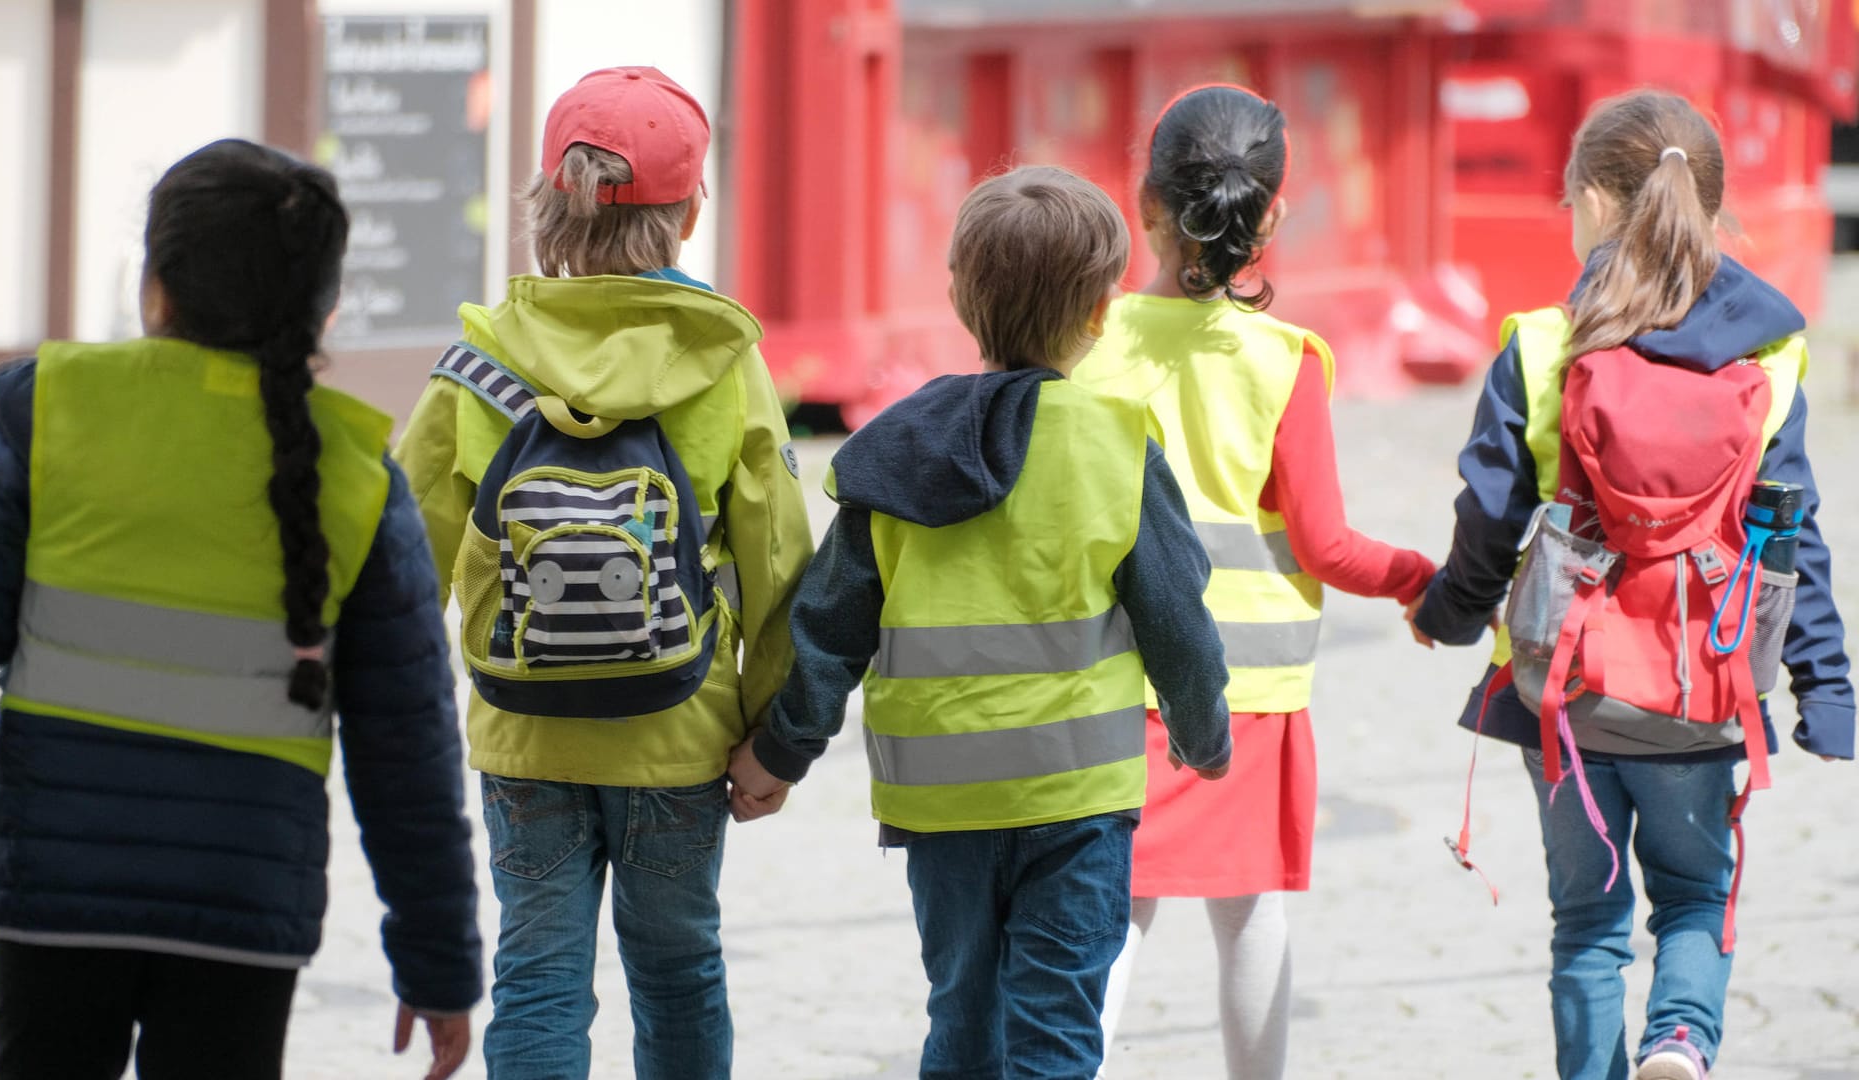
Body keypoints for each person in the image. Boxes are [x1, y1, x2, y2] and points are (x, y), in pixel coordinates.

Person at [0, 139, 481, 1080]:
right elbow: (409, 755)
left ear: (154, 286)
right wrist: (437, 961)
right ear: (325, 310)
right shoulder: (355, 478)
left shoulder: (51, 414)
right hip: (245, 904)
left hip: (52, 886)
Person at [726, 164, 1234, 1080]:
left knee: (962, 1016)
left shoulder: (896, 451)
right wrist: (1204, 734)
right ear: (1098, 313)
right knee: (1055, 1032)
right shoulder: (1116, 444)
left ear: (959, 295)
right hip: (1076, 805)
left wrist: (778, 754)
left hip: (943, 801)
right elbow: (1177, 619)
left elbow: (829, 623)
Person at [1411, 89, 1853, 1080]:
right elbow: (1796, 535)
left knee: (1586, 924)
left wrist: (1448, 613)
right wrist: (1827, 690)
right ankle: (1682, 1041)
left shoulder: (1541, 347)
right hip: (1705, 685)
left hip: (1565, 688)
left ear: (1597, 208)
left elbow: (1487, 521)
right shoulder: (1769, 356)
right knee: (1696, 897)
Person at [392, 66, 813, 1079]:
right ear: (690, 211)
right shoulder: (723, 363)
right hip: (678, 732)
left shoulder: (474, 365)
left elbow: (403, 568)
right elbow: (779, 566)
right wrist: (772, 733)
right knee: (678, 970)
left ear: (548, 200)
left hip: (524, 732)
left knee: (537, 972)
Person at [1071, 84, 1434, 1079]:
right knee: (1250, 914)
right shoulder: (1286, 363)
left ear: (1145, 206)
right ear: (1272, 215)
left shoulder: (1090, 347)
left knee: (1112, 917)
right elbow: (1324, 545)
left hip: (1111, 683)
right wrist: (1418, 579)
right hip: (1249, 698)